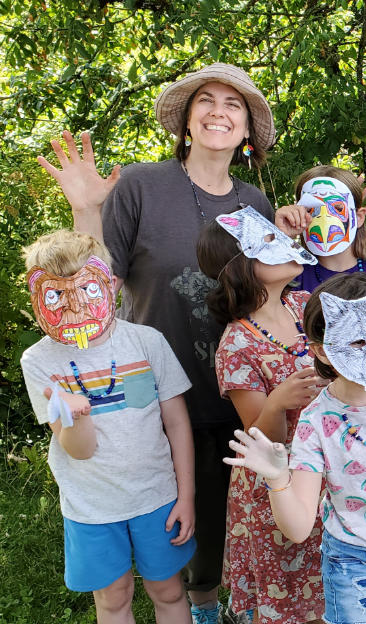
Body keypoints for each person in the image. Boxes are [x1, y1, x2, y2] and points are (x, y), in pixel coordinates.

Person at [38, 63, 277, 624]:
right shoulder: (141, 186)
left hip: (239, 391)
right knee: (173, 520)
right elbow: (96, 287)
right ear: (188, 120)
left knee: (237, 511)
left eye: (233, 105)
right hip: (157, 394)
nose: (219, 111)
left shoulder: (256, 206)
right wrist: (86, 210)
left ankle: (234, 602)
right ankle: (199, 608)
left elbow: (271, 291)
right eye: (207, 101)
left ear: (246, 132)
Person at [224, 272, 366, 624]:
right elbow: (298, 528)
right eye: (358, 343)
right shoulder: (317, 420)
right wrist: (276, 478)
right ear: (321, 352)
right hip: (349, 558)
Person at [20, 230, 196, 623]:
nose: (74, 304)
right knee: (113, 598)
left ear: (109, 283)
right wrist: (73, 415)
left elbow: (177, 421)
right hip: (92, 507)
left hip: (157, 496)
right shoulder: (38, 362)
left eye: (85, 288)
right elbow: (79, 450)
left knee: (168, 590)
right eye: (56, 295)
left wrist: (186, 494)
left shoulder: (147, 342)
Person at [197, 208, 326, 623]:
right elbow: (260, 438)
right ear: (242, 266)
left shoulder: (304, 305)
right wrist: (277, 403)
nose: (288, 248)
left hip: (326, 465)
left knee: (331, 579)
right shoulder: (237, 345)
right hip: (278, 481)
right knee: (288, 589)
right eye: (268, 243)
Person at [274, 165, 366, 293]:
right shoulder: (292, 276)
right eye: (311, 209)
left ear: (358, 217)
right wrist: (281, 236)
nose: (324, 217)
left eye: (337, 208)